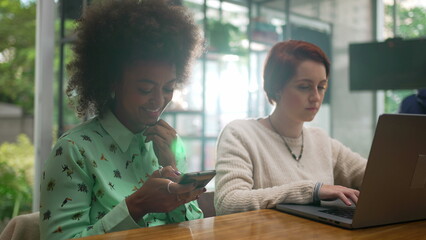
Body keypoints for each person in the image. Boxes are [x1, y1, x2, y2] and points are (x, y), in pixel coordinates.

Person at [39, 0, 205, 239]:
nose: (158, 101)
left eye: (168, 88)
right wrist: (136, 206)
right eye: (145, 89)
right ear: (113, 81)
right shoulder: (75, 151)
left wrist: (174, 167)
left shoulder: (169, 145)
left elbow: (194, 230)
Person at [214, 40, 367, 215]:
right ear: (276, 88)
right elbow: (228, 202)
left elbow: (375, 175)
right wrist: (312, 191)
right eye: (304, 87)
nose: (316, 97)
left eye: (321, 87)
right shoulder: (240, 134)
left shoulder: (321, 141)